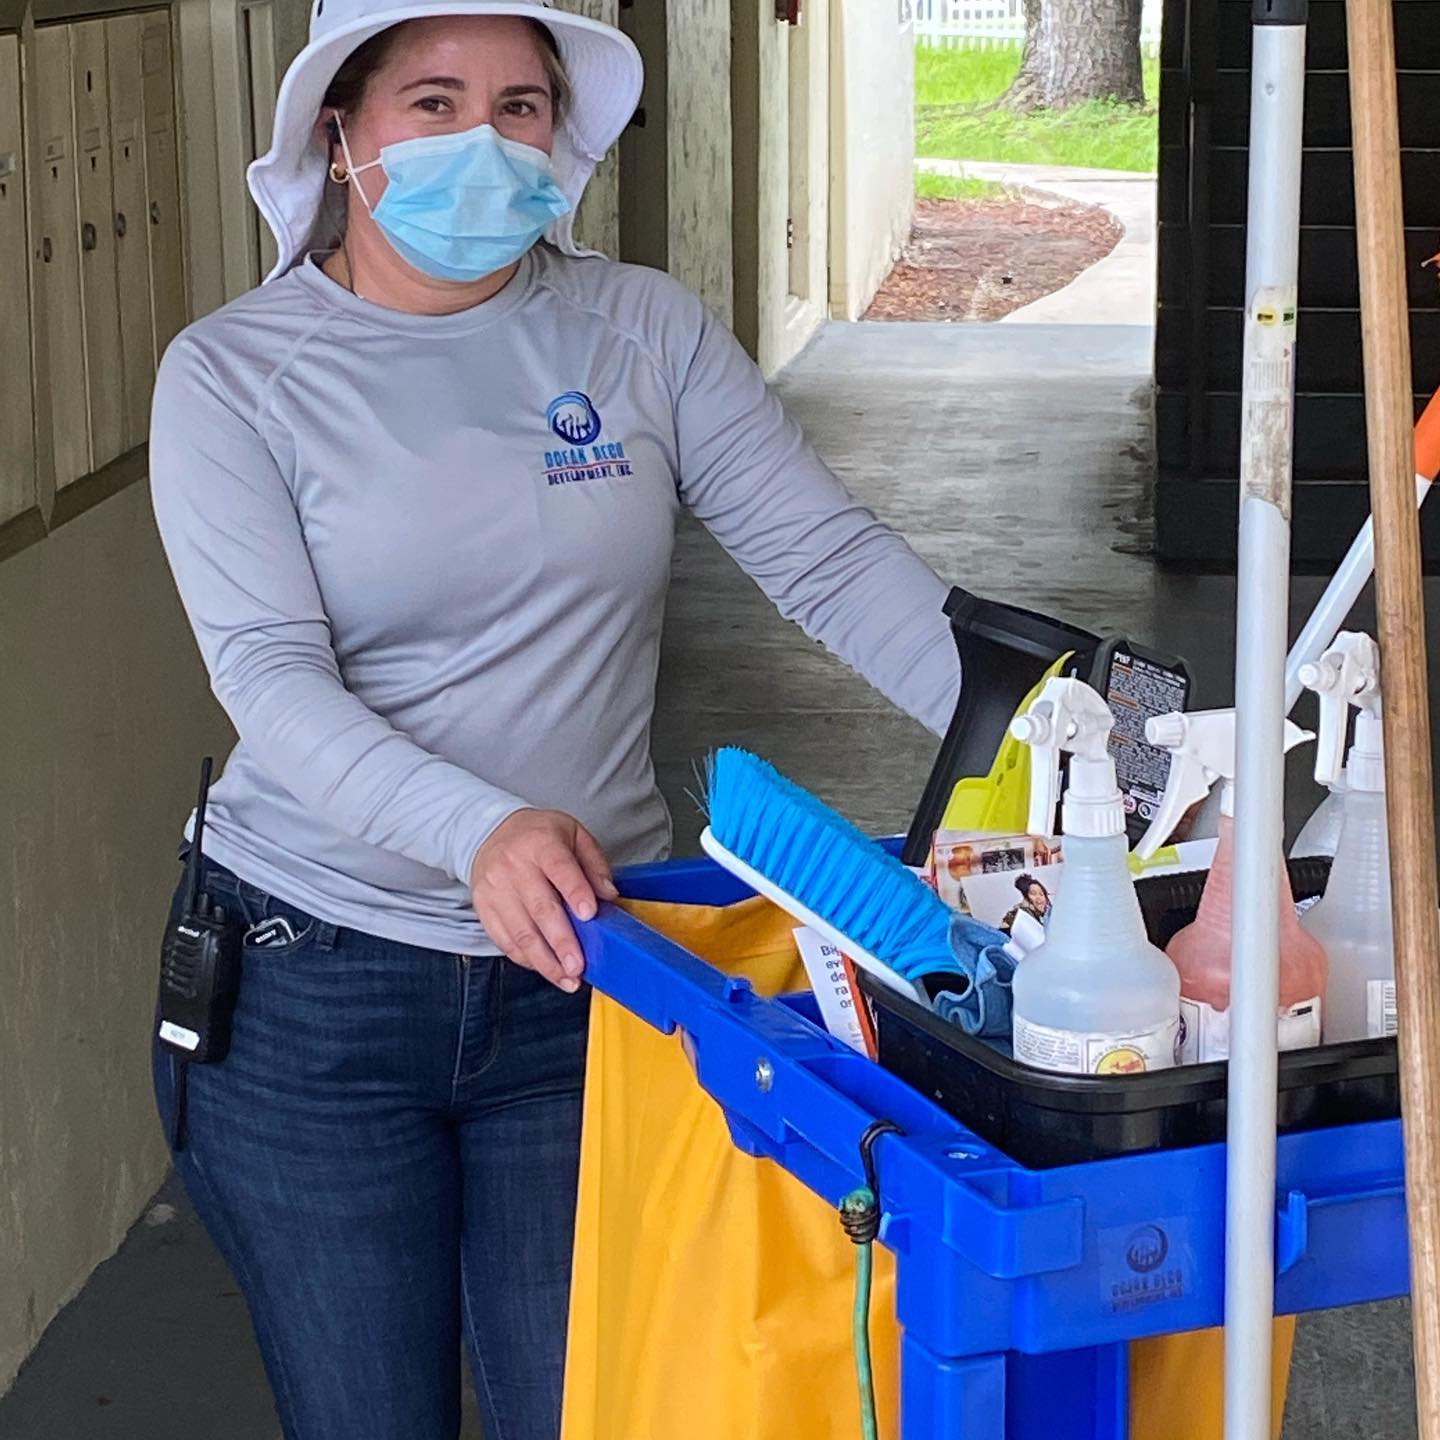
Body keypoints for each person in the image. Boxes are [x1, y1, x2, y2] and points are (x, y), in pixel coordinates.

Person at [147, 2, 961, 1436]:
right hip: (314, 991)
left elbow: (829, 563)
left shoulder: (637, 327)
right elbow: (269, 675)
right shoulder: (232, 375)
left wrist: (1087, 730)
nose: (484, 140)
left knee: (596, 1406)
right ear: (340, 134)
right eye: (436, 101)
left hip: (594, 973)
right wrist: (481, 828)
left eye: (521, 107)